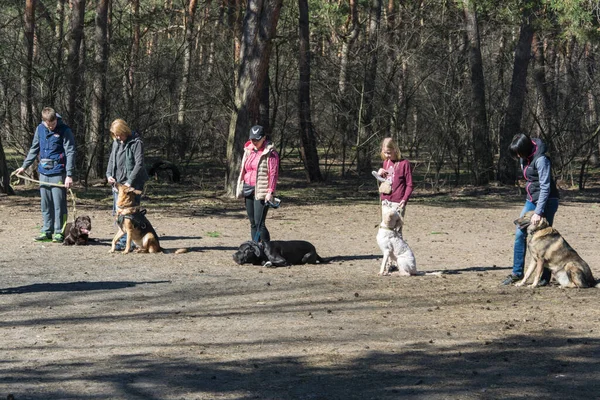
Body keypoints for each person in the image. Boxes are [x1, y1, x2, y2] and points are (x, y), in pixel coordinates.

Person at [502, 133, 559, 285]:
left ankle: (544, 277)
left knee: (545, 237)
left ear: (526, 149)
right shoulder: (524, 156)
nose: (518, 156)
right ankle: (517, 273)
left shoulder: (541, 160)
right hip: (532, 199)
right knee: (520, 232)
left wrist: (539, 212)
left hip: (547, 200)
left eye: (519, 153)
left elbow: (545, 187)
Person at [15, 107, 76, 243]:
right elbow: (34, 148)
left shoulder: (64, 130)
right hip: (43, 172)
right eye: (48, 124)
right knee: (46, 203)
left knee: (59, 203)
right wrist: (24, 166)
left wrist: (69, 174)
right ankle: (47, 230)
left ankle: (59, 231)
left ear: (56, 120)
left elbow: (70, 152)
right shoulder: (40, 129)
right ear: (44, 121)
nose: (51, 126)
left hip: (58, 172)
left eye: (53, 124)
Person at [106, 118, 148, 250]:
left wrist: (130, 182)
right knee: (118, 213)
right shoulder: (116, 142)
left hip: (133, 183)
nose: (118, 137)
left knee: (130, 215)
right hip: (118, 183)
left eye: (120, 134)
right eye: (115, 135)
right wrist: (109, 175)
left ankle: (127, 243)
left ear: (125, 131)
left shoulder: (137, 143)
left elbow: (139, 164)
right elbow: (112, 160)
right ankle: (121, 241)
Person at [236, 125, 280, 242]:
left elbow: (273, 174)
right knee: (252, 223)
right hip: (247, 187)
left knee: (259, 223)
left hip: (261, 190)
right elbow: (244, 169)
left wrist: (270, 191)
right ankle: (256, 250)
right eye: (252, 139)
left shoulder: (270, 153)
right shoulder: (248, 150)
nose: (254, 142)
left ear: (264, 138)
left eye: (257, 139)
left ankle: (268, 252)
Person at [375, 137, 414, 211]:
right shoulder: (386, 162)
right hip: (385, 202)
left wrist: (404, 199)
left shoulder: (404, 164)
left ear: (395, 149)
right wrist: (379, 175)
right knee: (385, 223)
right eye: (384, 152)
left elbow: (410, 185)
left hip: (398, 203)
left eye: (389, 153)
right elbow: (384, 182)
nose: (386, 155)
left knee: (395, 223)